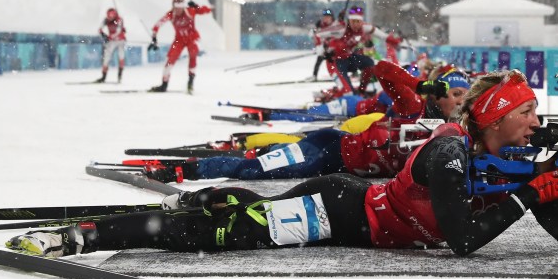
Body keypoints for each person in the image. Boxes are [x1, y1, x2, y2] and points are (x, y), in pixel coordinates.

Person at [6, 68, 558, 259]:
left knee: (232, 216)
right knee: (225, 227)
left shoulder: (516, 167)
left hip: (360, 209)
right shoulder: (450, 149)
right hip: (340, 207)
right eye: (528, 112)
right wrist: (530, 192)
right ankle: (90, 234)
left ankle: (180, 206)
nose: (537, 124)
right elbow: (463, 242)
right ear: (497, 116)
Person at [142, 61, 471, 184]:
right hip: (330, 152)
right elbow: (382, 69)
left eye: (464, 97)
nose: (460, 100)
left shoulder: (455, 136)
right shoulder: (415, 107)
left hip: (334, 158)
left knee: (262, 162)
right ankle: (183, 171)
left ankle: (262, 149)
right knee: (253, 171)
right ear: (439, 94)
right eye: (455, 93)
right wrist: (419, 84)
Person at [148, 0, 212, 93]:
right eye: (176, 8)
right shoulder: (171, 14)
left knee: (193, 54)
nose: (178, 10)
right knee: (170, 59)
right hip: (179, 40)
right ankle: (164, 84)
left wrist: (196, 6)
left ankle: (190, 82)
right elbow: (158, 24)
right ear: (173, 6)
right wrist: (154, 37)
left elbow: (206, 10)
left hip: (192, 38)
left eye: (180, 7)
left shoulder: (190, 11)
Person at [327, 6, 388, 93]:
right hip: (337, 62)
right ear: (349, 21)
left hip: (350, 58)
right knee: (349, 91)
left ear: (361, 22)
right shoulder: (341, 29)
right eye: (353, 22)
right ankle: (346, 91)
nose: (356, 25)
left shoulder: (363, 30)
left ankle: (361, 90)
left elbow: (370, 48)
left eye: (358, 22)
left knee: (369, 62)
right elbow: (329, 36)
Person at [96, 7, 126, 83]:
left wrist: (110, 37)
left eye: (111, 17)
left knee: (121, 56)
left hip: (120, 40)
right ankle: (103, 76)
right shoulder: (106, 20)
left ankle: (120, 76)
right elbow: (100, 29)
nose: (110, 19)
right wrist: (103, 35)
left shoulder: (119, 19)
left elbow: (118, 31)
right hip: (111, 41)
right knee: (106, 57)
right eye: (109, 17)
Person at [310, 8, 341, 81]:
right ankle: (314, 76)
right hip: (323, 49)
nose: (326, 19)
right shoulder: (319, 25)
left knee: (335, 62)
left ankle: (337, 75)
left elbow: (338, 37)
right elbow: (315, 37)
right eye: (324, 17)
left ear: (332, 18)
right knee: (319, 60)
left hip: (332, 49)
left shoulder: (335, 25)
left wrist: (330, 45)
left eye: (328, 17)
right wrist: (319, 47)